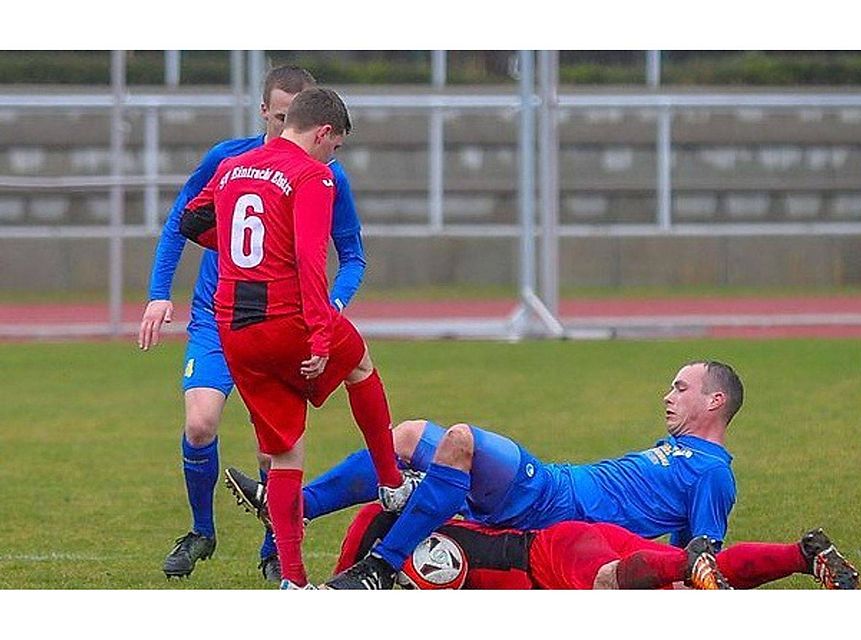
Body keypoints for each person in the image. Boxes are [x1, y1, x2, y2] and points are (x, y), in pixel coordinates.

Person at [138, 65, 373, 582]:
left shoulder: (326, 173)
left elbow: (350, 255)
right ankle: (203, 531)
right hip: (215, 317)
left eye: (298, 115)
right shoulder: (228, 159)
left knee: (276, 445)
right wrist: (159, 294)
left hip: (283, 319)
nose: (290, 124)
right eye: (280, 114)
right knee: (200, 423)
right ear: (265, 111)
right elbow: (183, 221)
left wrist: (328, 311)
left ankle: (275, 550)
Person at [227, 360, 742, 589]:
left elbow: (697, 556)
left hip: (552, 504)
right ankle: (292, 511)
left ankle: (381, 567)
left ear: (715, 401)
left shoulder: (713, 473)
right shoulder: (675, 452)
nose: (667, 396)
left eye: (680, 388)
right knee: (404, 436)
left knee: (463, 441)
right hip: (549, 488)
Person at [178, 87, 410, 590]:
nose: (335, 157)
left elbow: (191, 221)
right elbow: (310, 259)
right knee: (361, 366)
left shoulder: (236, 166)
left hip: (235, 329)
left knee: (286, 452)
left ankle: (295, 582)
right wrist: (321, 335)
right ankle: (392, 482)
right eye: (337, 146)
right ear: (323, 132)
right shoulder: (312, 174)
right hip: (288, 318)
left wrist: (242, 253)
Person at [334, 503, 860, 590]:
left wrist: (337, 581)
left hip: (551, 559)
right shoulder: (417, 523)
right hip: (578, 535)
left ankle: (687, 559)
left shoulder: (402, 543)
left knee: (616, 585)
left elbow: (368, 524)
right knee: (684, 582)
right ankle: (804, 553)